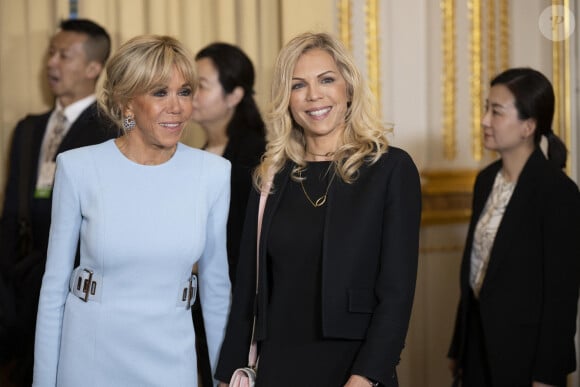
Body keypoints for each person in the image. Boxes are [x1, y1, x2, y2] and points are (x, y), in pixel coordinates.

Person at [215, 32, 422, 387]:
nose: (314, 95)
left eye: (326, 79)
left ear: (348, 88)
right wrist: (228, 374)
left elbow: (397, 293)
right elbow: (247, 290)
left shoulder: (390, 169)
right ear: (287, 99)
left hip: (354, 365)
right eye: (298, 85)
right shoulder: (270, 177)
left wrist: (367, 375)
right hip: (278, 363)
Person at [32, 35, 232, 386]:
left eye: (184, 92)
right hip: (89, 359)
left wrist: (222, 379)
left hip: (172, 360)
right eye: (159, 93)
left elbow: (216, 292)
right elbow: (53, 290)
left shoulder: (213, 173)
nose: (177, 107)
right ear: (126, 102)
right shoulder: (78, 168)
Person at [0, 18, 115, 386]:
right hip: (16, 271)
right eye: (51, 53)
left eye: (64, 55)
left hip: (70, 275)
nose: (52, 63)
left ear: (93, 67)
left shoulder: (109, 128)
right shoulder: (28, 127)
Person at [448, 68, 580, 386]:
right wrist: (458, 346)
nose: (483, 120)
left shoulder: (557, 192)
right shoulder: (485, 181)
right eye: (485, 108)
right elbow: (476, 273)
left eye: (496, 111)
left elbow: (561, 298)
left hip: (525, 360)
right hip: (476, 349)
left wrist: (547, 375)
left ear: (529, 126)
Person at [190, 42, 266, 387]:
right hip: (199, 296)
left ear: (234, 95)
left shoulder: (256, 155)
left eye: (201, 85)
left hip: (237, 300)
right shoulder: (199, 153)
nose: (191, 93)